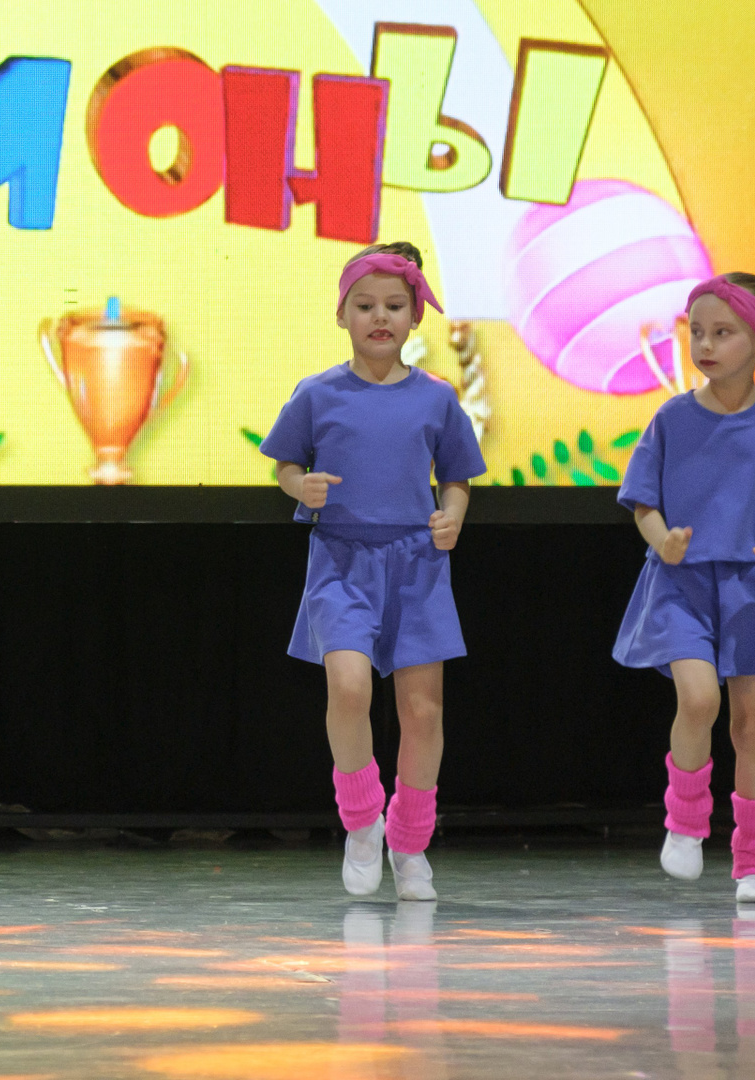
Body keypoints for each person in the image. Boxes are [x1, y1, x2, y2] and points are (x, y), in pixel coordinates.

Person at [261, 242, 485, 902]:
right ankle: (362, 823)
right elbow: (285, 464)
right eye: (364, 306)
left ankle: (410, 844)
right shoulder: (317, 393)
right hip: (340, 562)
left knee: (423, 710)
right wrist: (300, 486)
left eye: (393, 306)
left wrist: (452, 515)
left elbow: (458, 477)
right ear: (342, 314)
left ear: (415, 316)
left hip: (417, 566)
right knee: (349, 687)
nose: (379, 317)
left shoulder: (437, 398)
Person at [614, 273, 755, 904]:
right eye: (698, 332)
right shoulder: (671, 418)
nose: (705, 345)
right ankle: (685, 821)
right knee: (699, 698)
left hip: (751, 588)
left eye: (723, 333)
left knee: (752, 725)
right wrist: (663, 541)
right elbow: (642, 502)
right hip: (681, 585)